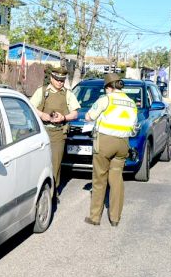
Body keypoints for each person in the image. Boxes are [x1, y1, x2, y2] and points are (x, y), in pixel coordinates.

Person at [84, 73, 137, 227]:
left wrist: (89, 115)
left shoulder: (106, 99)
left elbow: (89, 117)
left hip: (105, 142)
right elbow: (133, 125)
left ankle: (95, 217)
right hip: (123, 144)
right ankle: (115, 218)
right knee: (116, 179)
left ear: (109, 87)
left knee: (99, 179)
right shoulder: (131, 103)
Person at [30, 66, 80, 195]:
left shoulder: (68, 94)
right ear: (52, 78)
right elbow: (30, 107)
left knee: (55, 164)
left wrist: (63, 117)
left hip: (58, 133)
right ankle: (37, 192)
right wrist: (42, 115)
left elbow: (75, 114)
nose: (60, 82)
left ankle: (53, 192)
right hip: (41, 132)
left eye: (62, 80)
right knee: (38, 164)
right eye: (57, 79)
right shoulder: (42, 91)